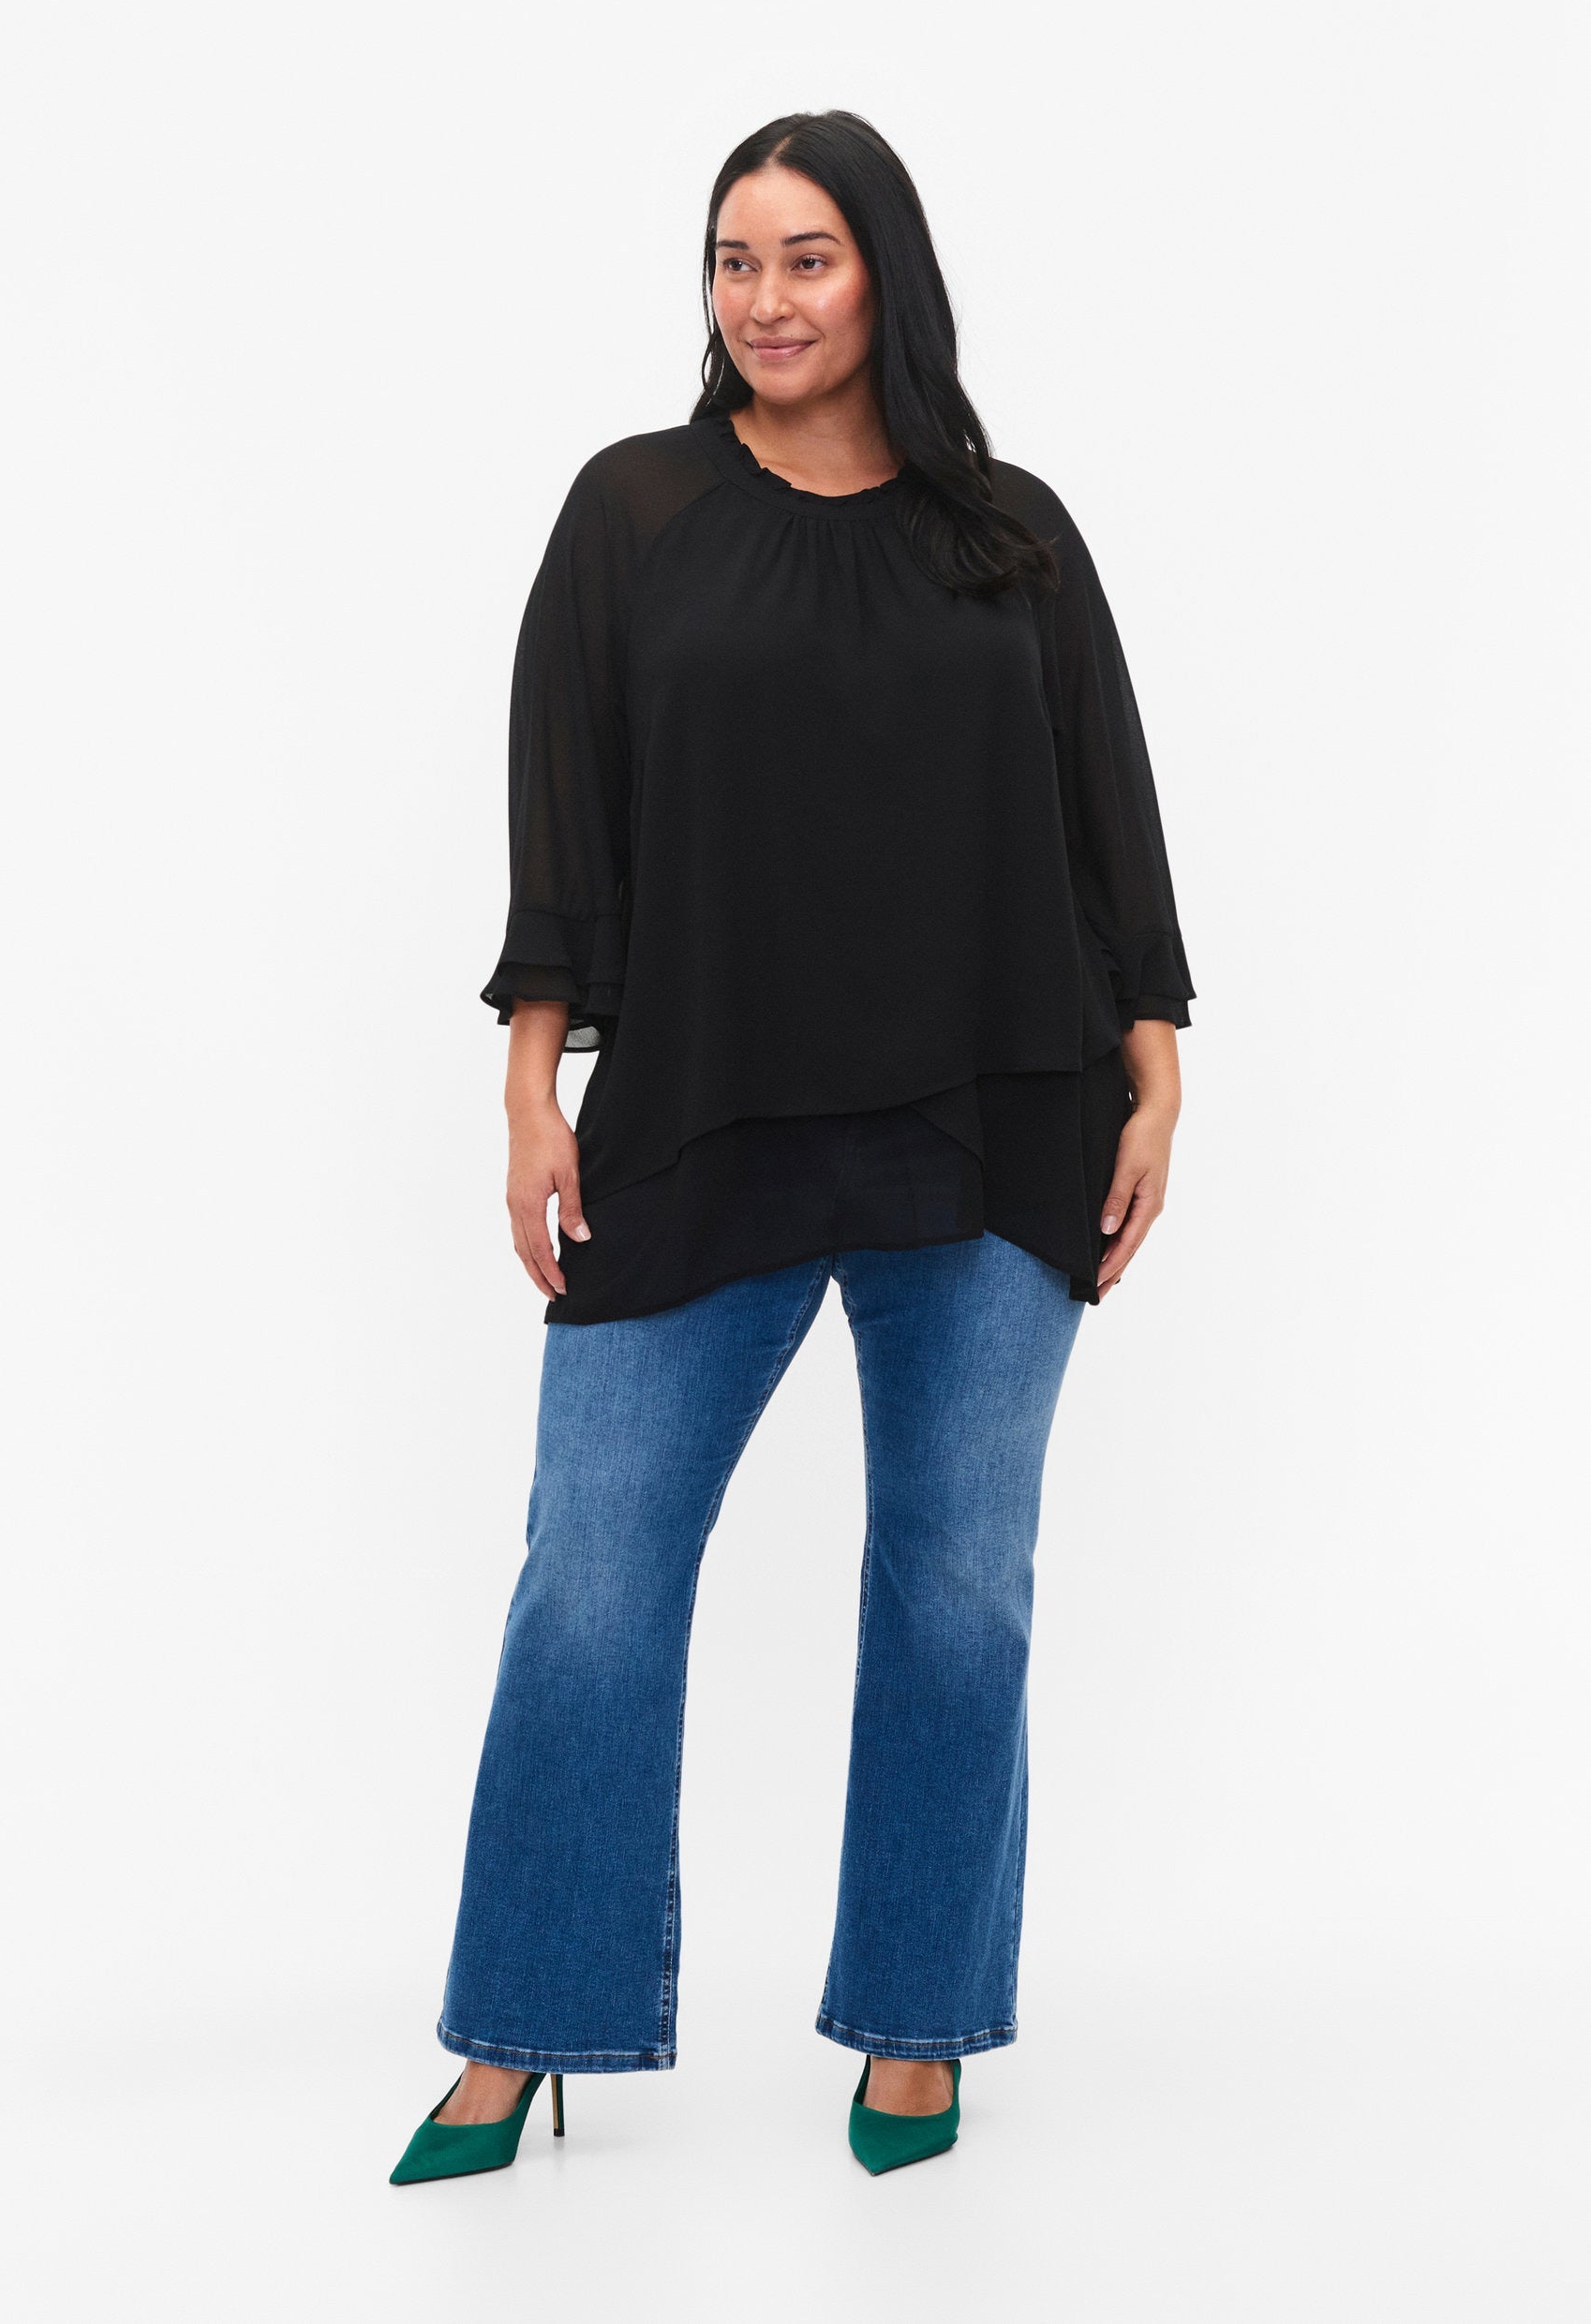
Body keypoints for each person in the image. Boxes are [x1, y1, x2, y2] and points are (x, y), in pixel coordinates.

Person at [391, 107, 1195, 2186]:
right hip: (701, 1112)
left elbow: (1105, 812)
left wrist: (1156, 1068)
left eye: (806, 258)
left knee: (956, 1588)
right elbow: (565, 811)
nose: (763, 298)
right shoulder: (634, 512)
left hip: (995, 1119)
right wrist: (532, 1085)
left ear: (884, 276)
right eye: (733, 259)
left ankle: (918, 2025)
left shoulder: (1009, 534)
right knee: (592, 1574)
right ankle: (526, 2025)